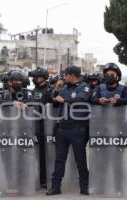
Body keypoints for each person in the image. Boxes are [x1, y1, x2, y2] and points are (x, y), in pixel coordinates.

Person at [46, 66, 91, 196]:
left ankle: (84, 186)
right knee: (59, 159)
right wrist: (56, 89)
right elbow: (54, 102)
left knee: (80, 159)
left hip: (78, 128)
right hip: (62, 128)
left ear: (72, 75)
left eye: (66, 75)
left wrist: (64, 100)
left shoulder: (84, 87)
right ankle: (55, 187)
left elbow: (81, 100)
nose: (64, 78)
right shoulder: (64, 88)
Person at [29, 67, 53, 188]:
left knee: (48, 155)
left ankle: (47, 179)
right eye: (33, 77)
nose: (34, 79)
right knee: (37, 155)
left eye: (36, 77)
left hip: (48, 127)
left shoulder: (51, 90)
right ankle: (40, 179)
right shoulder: (32, 92)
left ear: (43, 77)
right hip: (36, 126)